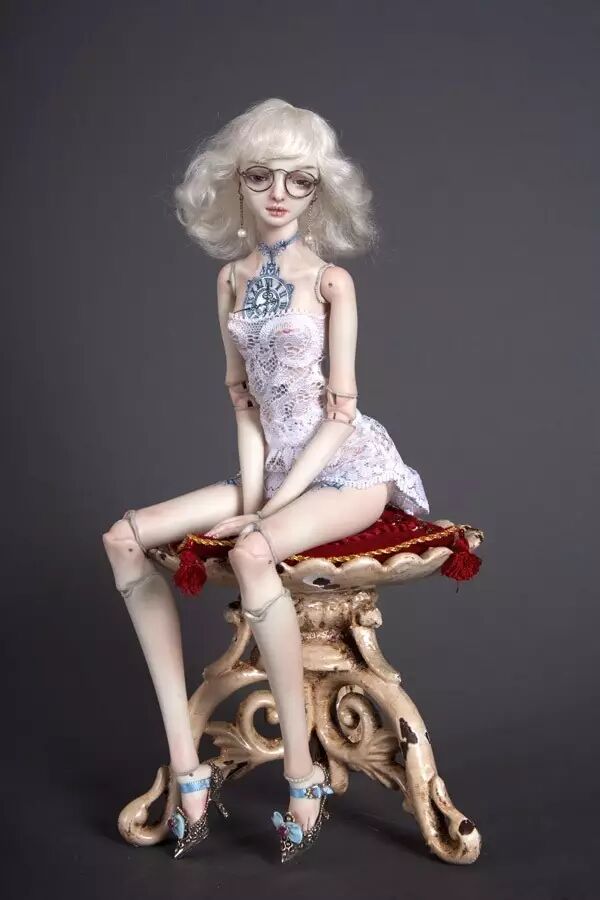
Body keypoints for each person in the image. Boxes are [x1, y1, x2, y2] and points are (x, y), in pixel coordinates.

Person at [102, 97, 429, 862]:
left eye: (299, 180)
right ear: (234, 182)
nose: (280, 194)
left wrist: (265, 514)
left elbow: (340, 415)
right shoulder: (230, 280)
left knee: (253, 552)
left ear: (321, 190)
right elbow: (245, 404)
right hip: (276, 467)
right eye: (261, 177)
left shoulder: (331, 281)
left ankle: (303, 778)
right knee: (122, 540)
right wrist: (256, 496)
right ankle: (185, 767)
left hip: (347, 468)